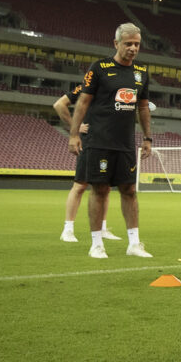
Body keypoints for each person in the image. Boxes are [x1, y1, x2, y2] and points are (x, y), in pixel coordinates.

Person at [66, 23, 154, 258]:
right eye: (128, 44)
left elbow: (143, 108)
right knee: (100, 190)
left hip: (125, 143)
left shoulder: (142, 73)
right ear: (116, 44)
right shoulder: (99, 68)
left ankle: (134, 244)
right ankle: (96, 244)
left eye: (136, 44)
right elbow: (82, 102)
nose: (133, 48)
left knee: (129, 190)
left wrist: (147, 137)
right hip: (99, 140)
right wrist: (74, 134)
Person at [50, 86, 118, 244]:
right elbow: (59, 104)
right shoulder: (86, 87)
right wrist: (75, 125)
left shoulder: (114, 88)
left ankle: (102, 228)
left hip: (109, 143)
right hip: (90, 142)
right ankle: (67, 230)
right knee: (80, 186)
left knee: (105, 187)